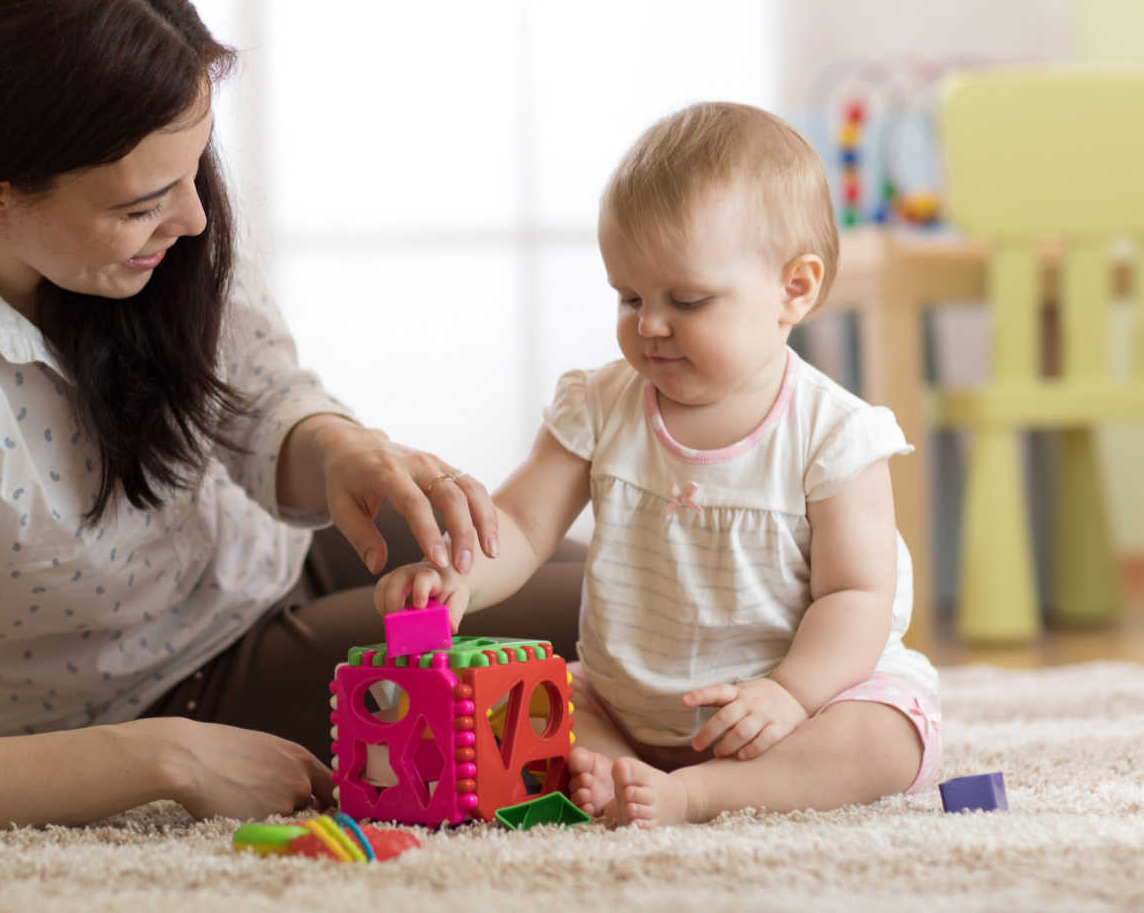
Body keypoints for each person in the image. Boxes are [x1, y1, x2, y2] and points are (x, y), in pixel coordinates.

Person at [0, 0, 583, 838]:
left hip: (275, 554)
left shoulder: (126, 229)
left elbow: (257, 395)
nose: (195, 220)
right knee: (604, 627)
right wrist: (164, 756)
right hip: (174, 681)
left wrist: (338, 450)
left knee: (644, 581)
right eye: (144, 204)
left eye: (195, 171)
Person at [374, 102, 941, 827]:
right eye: (629, 296)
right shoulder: (600, 404)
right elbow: (519, 522)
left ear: (793, 290)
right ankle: (622, 768)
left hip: (789, 710)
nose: (649, 325)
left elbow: (855, 597)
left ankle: (703, 794)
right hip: (628, 703)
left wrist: (789, 696)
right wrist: (460, 576)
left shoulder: (835, 435)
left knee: (889, 737)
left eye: (688, 300)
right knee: (539, 699)